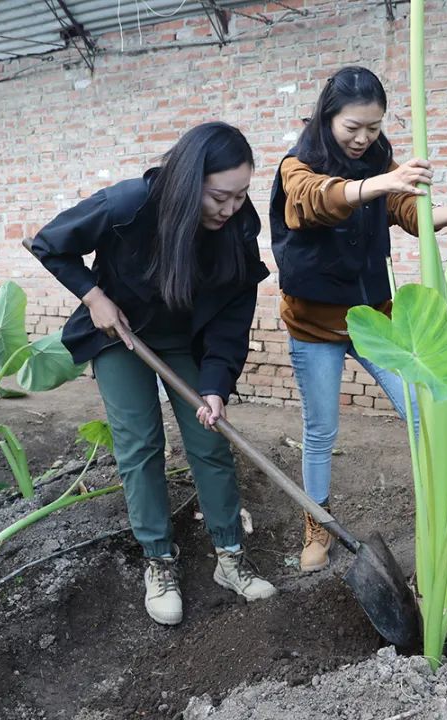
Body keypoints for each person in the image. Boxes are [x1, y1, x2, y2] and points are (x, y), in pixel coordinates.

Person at [269, 66, 447, 573]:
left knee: (422, 414)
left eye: (374, 127)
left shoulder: (378, 161)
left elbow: (409, 212)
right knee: (320, 430)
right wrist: (381, 181)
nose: (365, 138)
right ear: (328, 118)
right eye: (353, 128)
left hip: (376, 323)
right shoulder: (296, 168)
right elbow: (319, 202)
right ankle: (317, 524)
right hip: (314, 325)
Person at [30, 122, 277, 625]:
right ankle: (159, 560)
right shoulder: (129, 205)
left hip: (187, 341)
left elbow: (233, 313)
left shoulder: (239, 227)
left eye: (241, 195)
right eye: (219, 197)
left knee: (210, 440)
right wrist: (94, 296)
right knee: (139, 444)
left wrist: (215, 385)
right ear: (190, 181)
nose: (230, 208)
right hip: (122, 334)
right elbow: (50, 243)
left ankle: (230, 558)